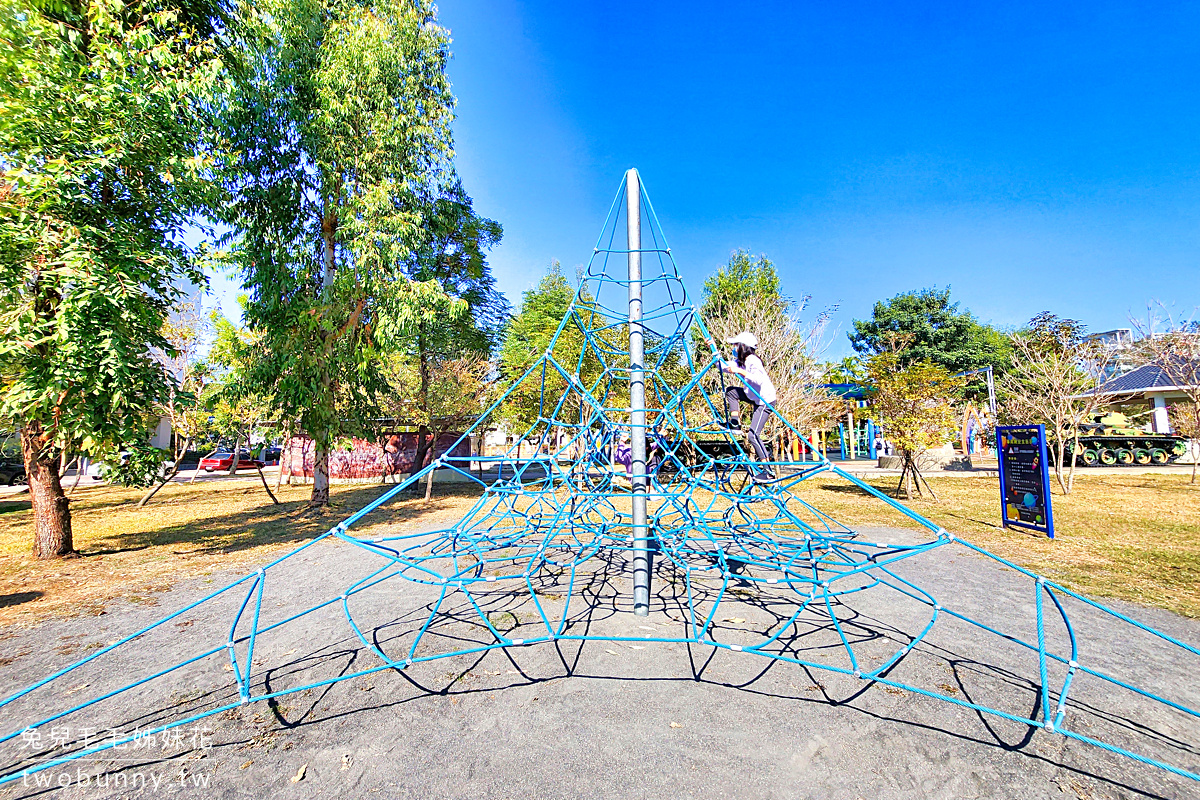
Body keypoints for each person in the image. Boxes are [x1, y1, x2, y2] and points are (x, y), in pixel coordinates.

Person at [721, 331, 777, 482]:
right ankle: (735, 423)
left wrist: (740, 371)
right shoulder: (741, 361)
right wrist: (713, 349)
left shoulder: (752, 360)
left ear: (743, 346)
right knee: (732, 392)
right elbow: (724, 366)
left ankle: (768, 472)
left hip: (765, 401)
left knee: (753, 435)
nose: (733, 348)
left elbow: (759, 379)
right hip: (753, 397)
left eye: (735, 345)